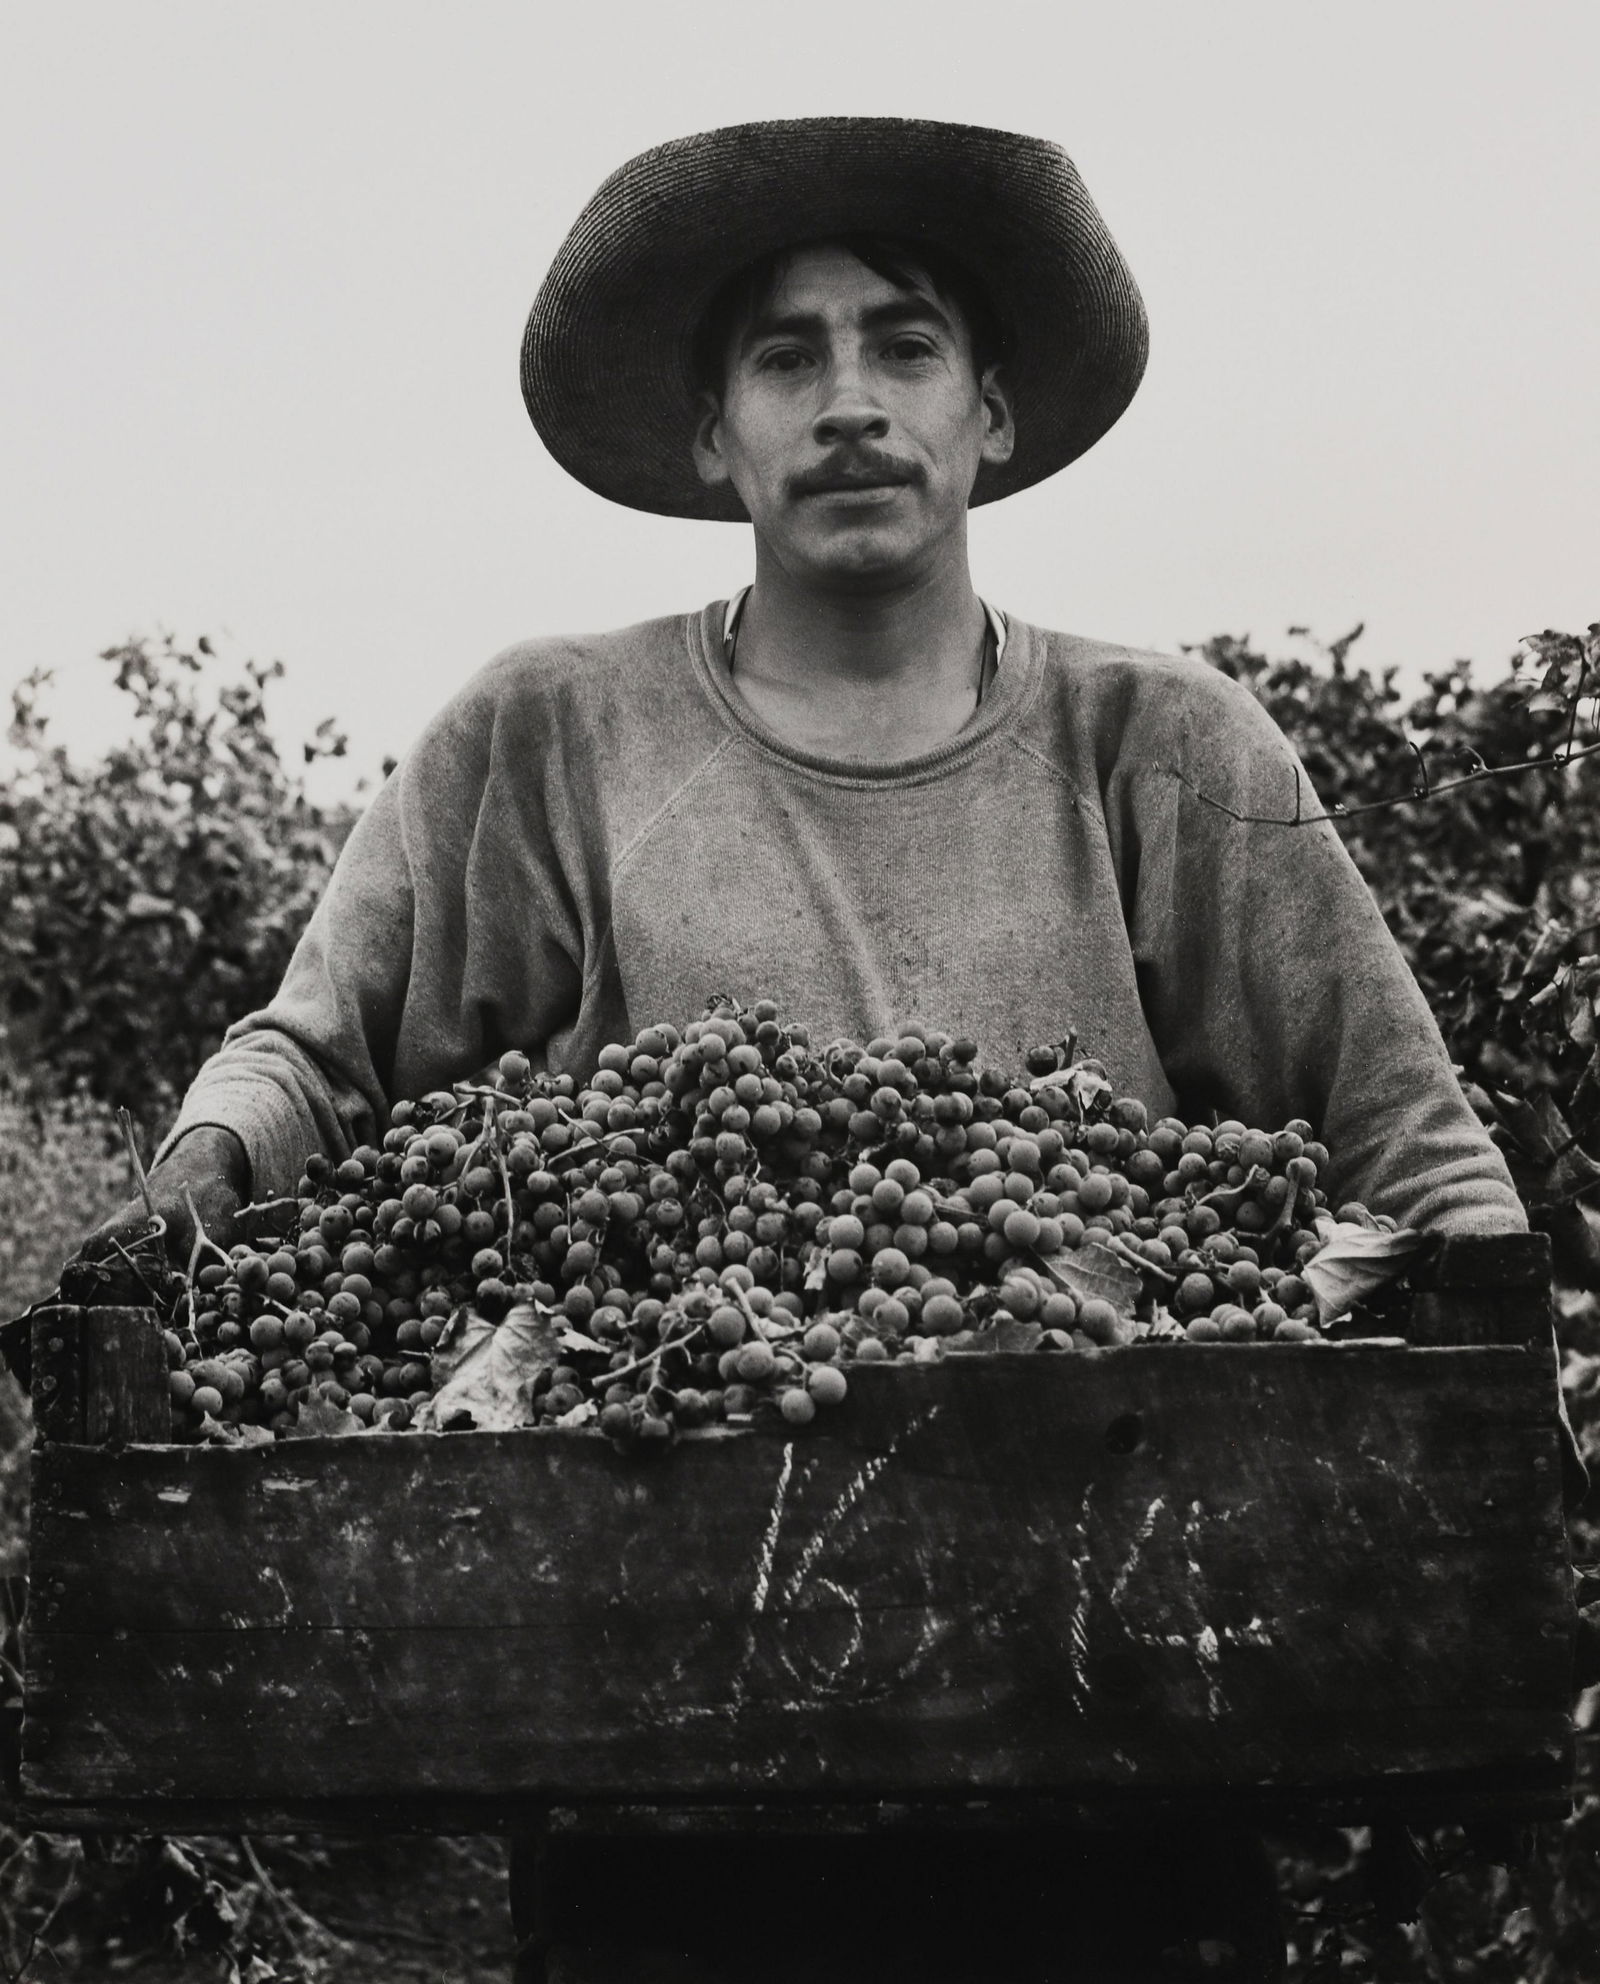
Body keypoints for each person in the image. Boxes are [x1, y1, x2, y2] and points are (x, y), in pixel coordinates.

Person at [84, 117, 1530, 1980]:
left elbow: (1419, 1166)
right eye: (787, 355)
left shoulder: (1166, 747)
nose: (850, 399)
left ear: (991, 410)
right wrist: (188, 1201)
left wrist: (1475, 1493)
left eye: (905, 342)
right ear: (714, 437)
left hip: (1116, 1718)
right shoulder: (554, 732)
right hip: (670, 1719)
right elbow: (313, 1056)